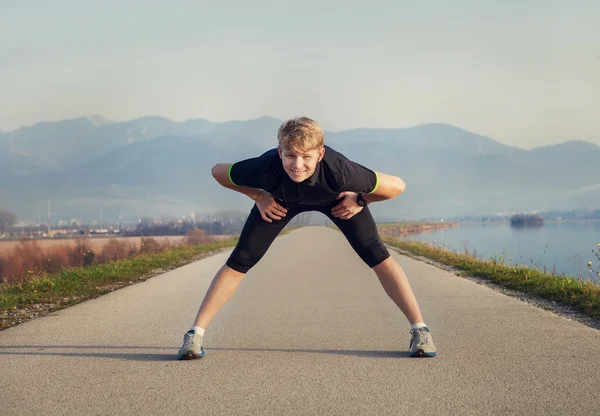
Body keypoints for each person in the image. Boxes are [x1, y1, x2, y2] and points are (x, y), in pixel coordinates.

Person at [178, 117, 436, 359]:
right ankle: (194, 335)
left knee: (377, 256)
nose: (297, 165)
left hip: (338, 201)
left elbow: (398, 185)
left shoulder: (340, 171)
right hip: (281, 201)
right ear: (280, 152)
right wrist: (258, 196)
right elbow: (218, 172)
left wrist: (360, 199)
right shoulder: (266, 167)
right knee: (241, 260)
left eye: (306, 157)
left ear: (320, 154)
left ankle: (420, 331)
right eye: (290, 155)